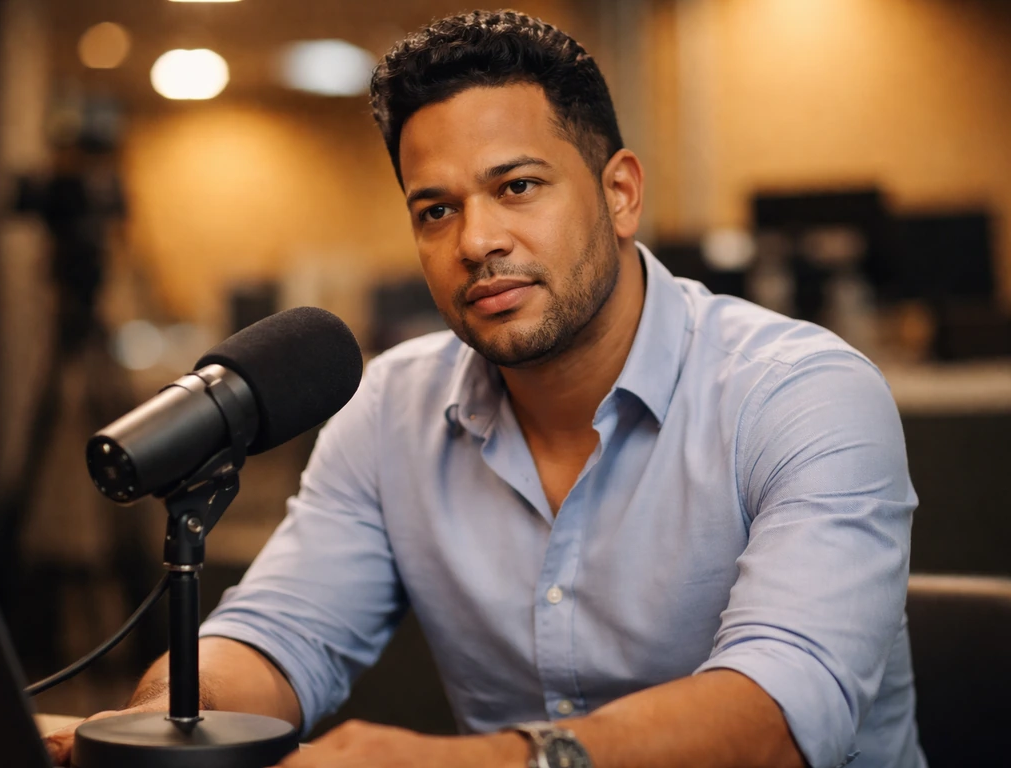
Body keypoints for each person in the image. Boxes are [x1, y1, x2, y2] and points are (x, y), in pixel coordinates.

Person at [47, 10, 924, 768]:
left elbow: (780, 716)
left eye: (518, 188)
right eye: (436, 209)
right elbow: (281, 637)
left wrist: (481, 761)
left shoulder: (804, 394)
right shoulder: (389, 410)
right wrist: (151, 733)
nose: (476, 241)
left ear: (620, 194)